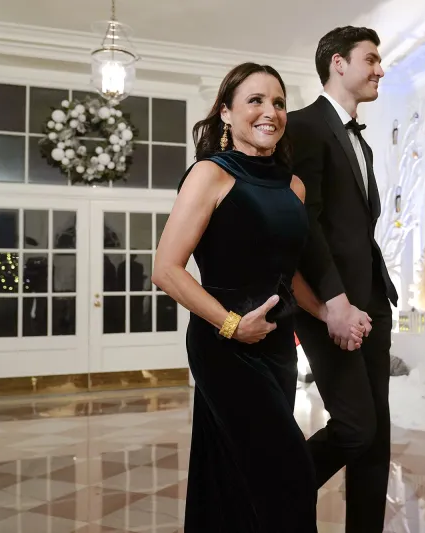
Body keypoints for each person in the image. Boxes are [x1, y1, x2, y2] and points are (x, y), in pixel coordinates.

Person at [153, 62, 360, 532]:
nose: (271, 112)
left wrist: (330, 313)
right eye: (256, 101)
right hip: (223, 346)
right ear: (226, 113)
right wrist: (231, 324)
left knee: (233, 473)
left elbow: (289, 278)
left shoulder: (293, 186)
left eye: (279, 102)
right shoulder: (210, 174)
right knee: (289, 471)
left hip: (276, 344)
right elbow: (165, 269)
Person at [287, 26, 399, 533]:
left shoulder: (362, 142)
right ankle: (269, 492)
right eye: (371, 59)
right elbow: (304, 222)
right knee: (356, 427)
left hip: (373, 299)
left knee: (378, 433)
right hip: (331, 302)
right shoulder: (303, 127)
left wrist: (375, 296)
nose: (379, 69)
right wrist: (333, 301)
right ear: (337, 63)